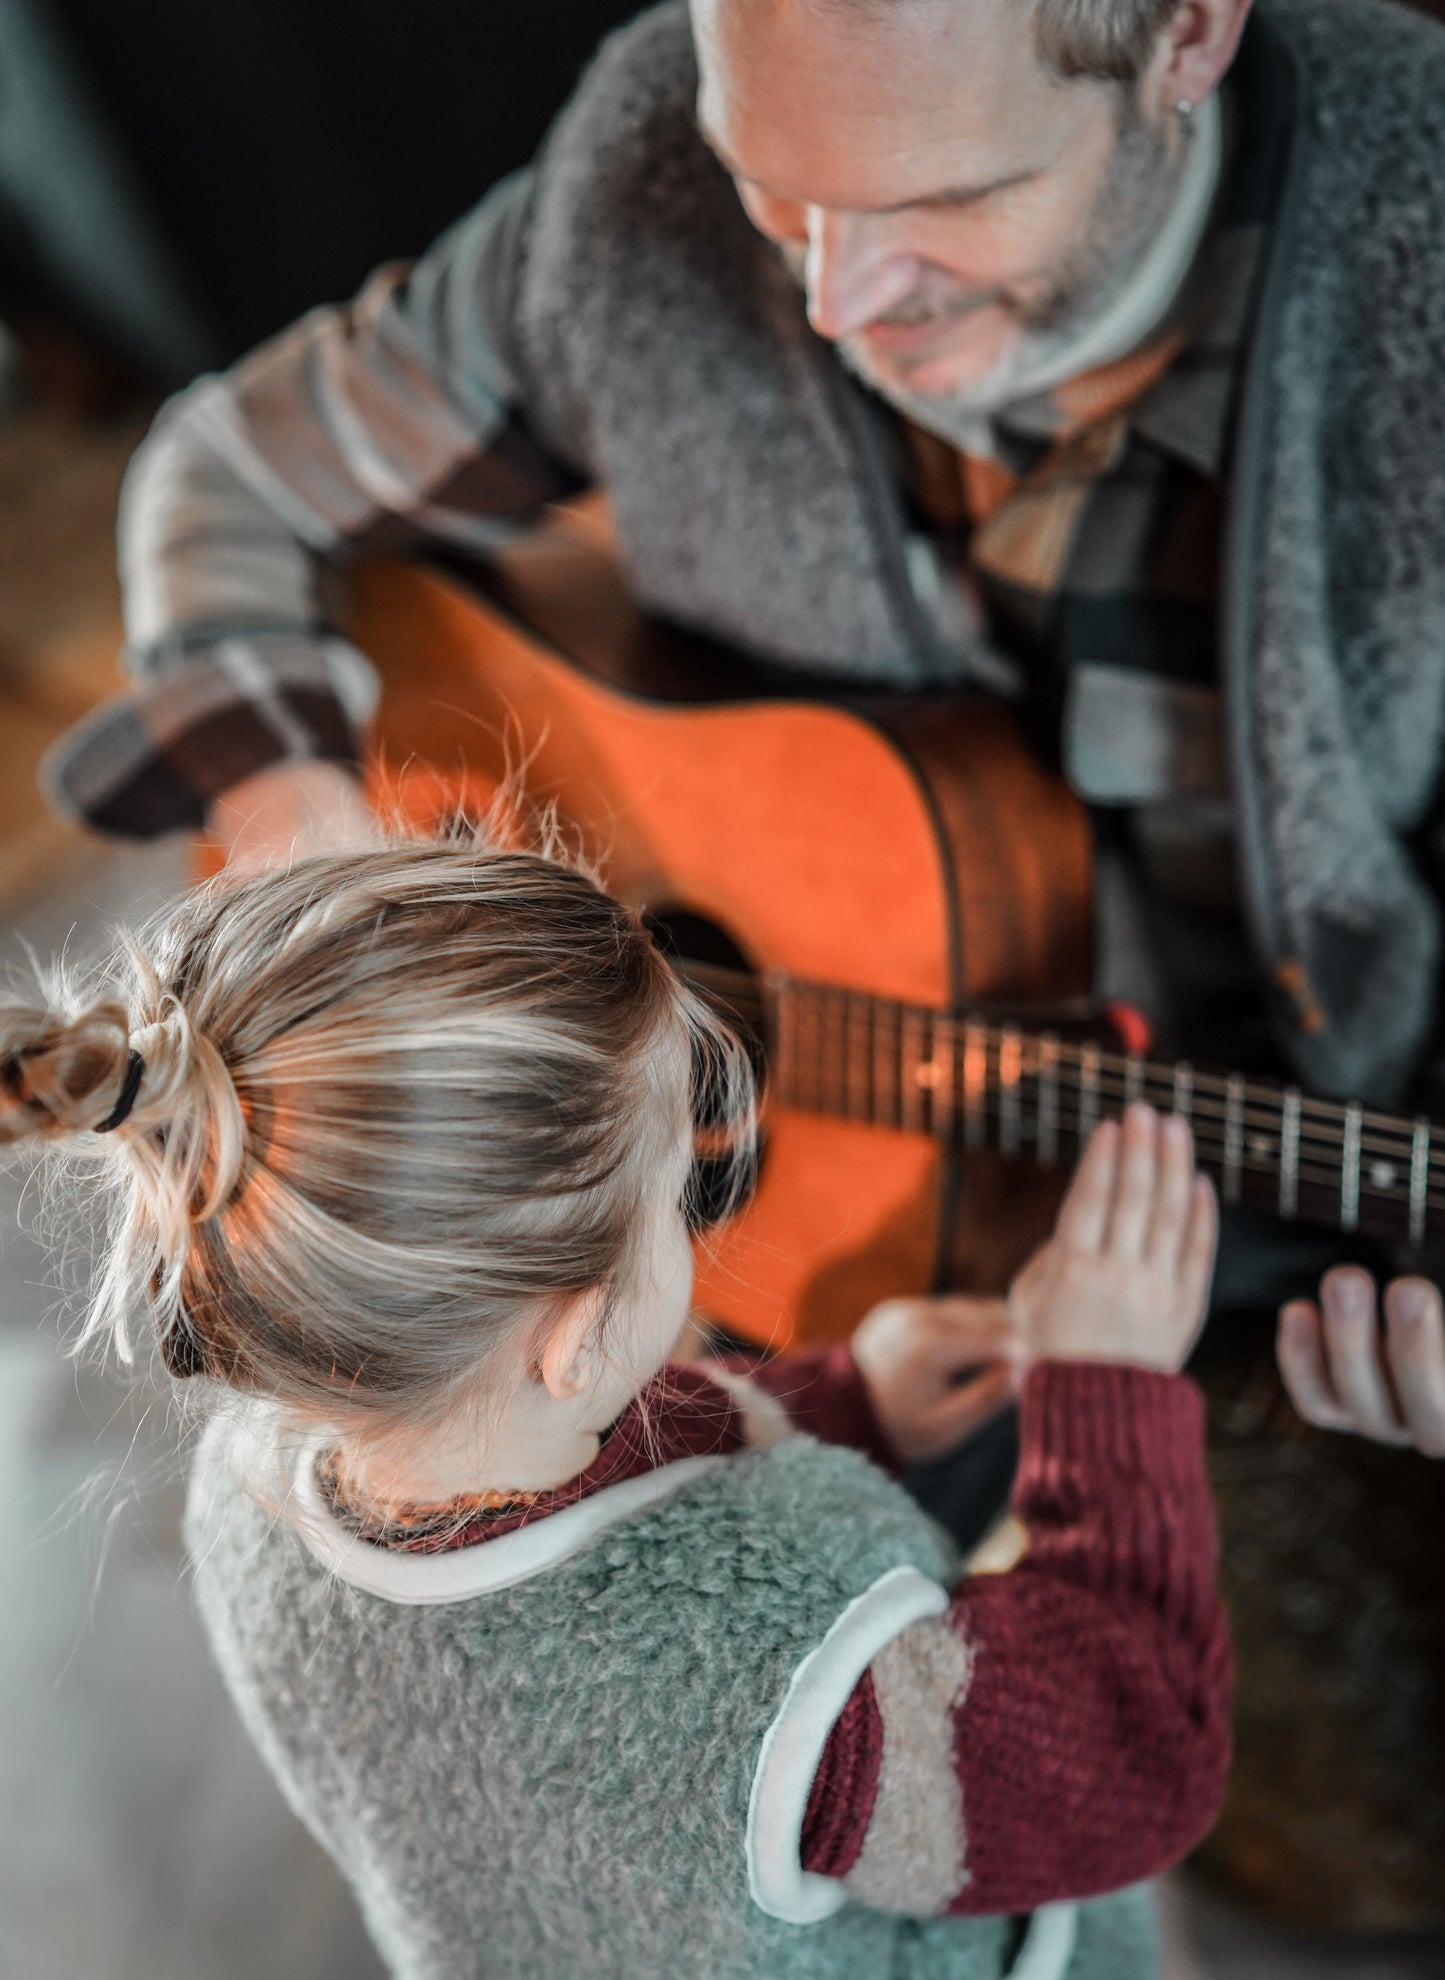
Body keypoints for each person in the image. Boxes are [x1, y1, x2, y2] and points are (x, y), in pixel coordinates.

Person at [42, 0, 1445, 1447]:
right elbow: (226, 473)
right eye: (772, 191)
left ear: (1188, 34)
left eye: (948, 200)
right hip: (869, 1286)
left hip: (1296, 1209)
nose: (834, 301)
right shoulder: (647, 176)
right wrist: (310, 846)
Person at [0, 837, 1226, 1980]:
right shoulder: (783, 1685)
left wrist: (842, 1400)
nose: (691, 1219)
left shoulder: (251, 1487)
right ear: (580, 1336)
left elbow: (590, 1488)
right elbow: (1135, 1753)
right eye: (677, 1195)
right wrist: (1110, 1393)